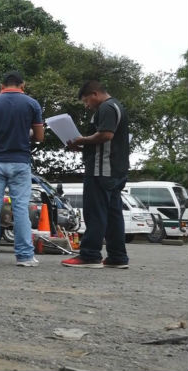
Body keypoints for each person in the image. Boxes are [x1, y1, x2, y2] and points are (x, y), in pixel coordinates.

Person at [0, 71, 44, 267]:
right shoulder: (32, 104)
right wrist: (27, 132)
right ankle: (24, 256)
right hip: (21, 162)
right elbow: (39, 137)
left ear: (1, 85)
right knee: (20, 207)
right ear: (23, 85)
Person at [61, 80, 130, 269]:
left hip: (102, 170)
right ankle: (117, 257)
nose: (87, 106)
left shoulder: (106, 108)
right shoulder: (117, 106)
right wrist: (84, 144)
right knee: (113, 214)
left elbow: (106, 135)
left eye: (86, 101)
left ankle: (90, 255)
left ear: (94, 94)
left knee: (95, 212)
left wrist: (82, 139)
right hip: (116, 169)